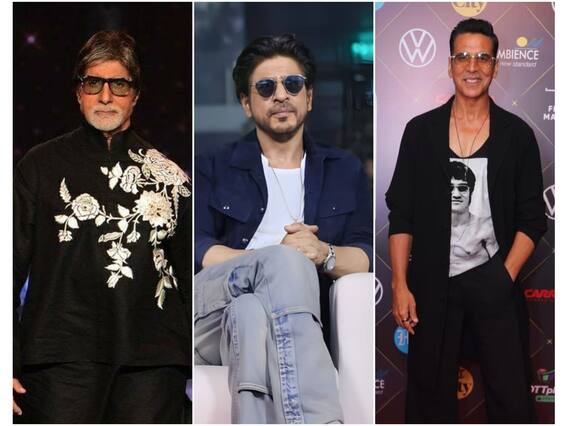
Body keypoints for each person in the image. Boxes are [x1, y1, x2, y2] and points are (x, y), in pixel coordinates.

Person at [13, 30, 191, 423]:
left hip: (152, 363)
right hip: (58, 360)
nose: (106, 96)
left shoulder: (170, 178)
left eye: (119, 84)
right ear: (78, 92)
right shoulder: (38, 167)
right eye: (93, 83)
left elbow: (190, 281)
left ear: (135, 94)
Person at [195, 33, 372, 424]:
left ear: (309, 97)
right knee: (281, 265)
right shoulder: (212, 165)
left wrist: (321, 252)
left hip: (268, 317)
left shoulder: (344, 169)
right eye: (265, 87)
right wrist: (273, 261)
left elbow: (363, 255)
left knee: (250, 313)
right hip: (211, 312)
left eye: (292, 84)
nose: (280, 95)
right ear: (247, 103)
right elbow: (199, 247)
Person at [386, 18, 546, 423]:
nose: (472, 67)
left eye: (482, 57)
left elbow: (532, 220)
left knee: (511, 401)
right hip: (431, 286)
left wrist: (504, 277)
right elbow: (401, 214)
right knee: (428, 402)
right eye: (463, 56)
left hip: (495, 281)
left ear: (495, 65)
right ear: (450, 64)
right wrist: (400, 284)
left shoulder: (517, 136)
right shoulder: (420, 132)